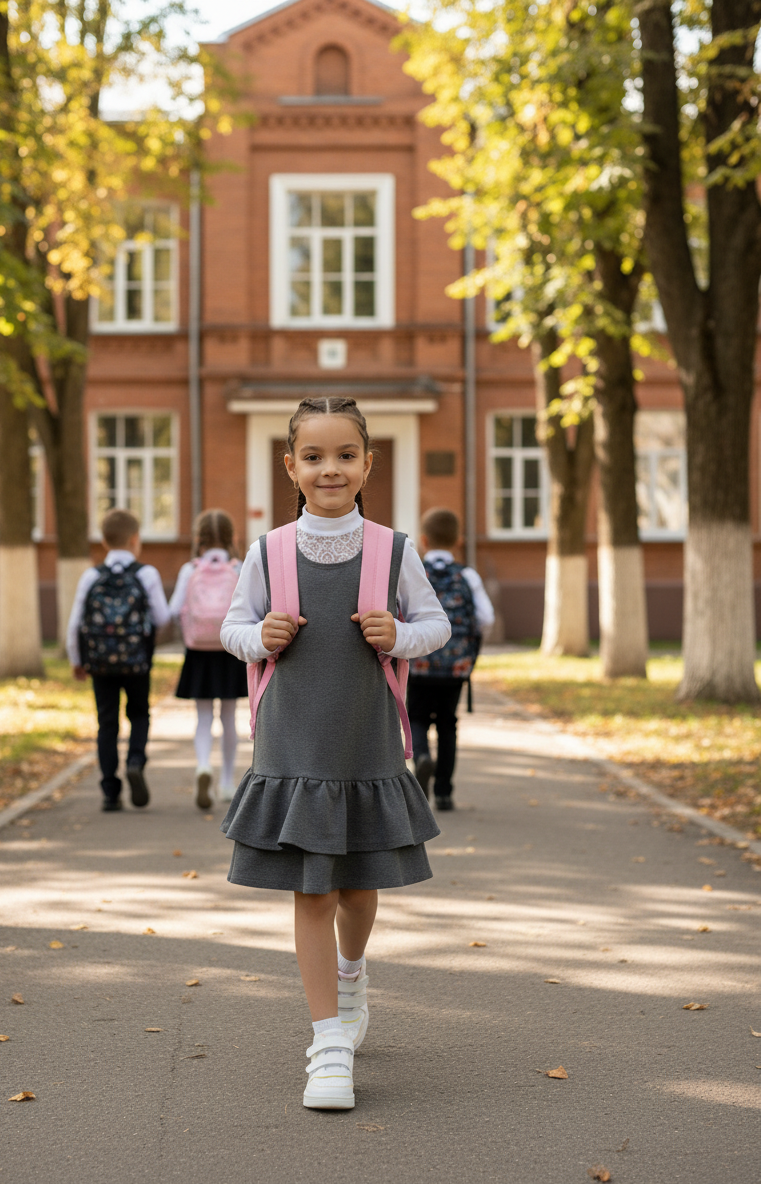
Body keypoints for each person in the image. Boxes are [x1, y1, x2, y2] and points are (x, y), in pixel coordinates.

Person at [220, 396, 450, 1111]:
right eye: (313, 457)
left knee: (356, 885)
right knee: (311, 888)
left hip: (365, 738)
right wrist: (261, 635)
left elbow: (437, 624)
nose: (330, 469)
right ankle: (327, 1044)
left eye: (345, 455)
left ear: (366, 464)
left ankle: (351, 976)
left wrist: (399, 635)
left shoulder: (394, 550)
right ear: (291, 466)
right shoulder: (268, 551)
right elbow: (229, 628)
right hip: (294, 741)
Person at [67, 508, 171, 811]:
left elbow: (75, 623)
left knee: (107, 723)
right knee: (139, 714)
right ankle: (136, 760)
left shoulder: (91, 576)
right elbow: (162, 617)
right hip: (137, 660)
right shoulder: (146, 574)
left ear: (103, 541)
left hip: (100, 662)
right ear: (135, 539)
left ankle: (110, 792)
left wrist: (77, 659)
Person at [407, 507, 495, 811]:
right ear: (458, 540)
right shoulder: (467, 575)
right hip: (455, 667)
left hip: (417, 663)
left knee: (416, 717)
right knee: (448, 724)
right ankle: (444, 792)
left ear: (423, 540)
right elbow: (486, 617)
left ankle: (421, 757)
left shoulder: (414, 570)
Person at [168, 509, 247, 809]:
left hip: (198, 650)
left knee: (203, 717)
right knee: (228, 717)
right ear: (232, 538)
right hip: (229, 649)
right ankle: (227, 782)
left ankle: (203, 766)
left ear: (198, 539)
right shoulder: (238, 568)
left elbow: (175, 608)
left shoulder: (190, 569)